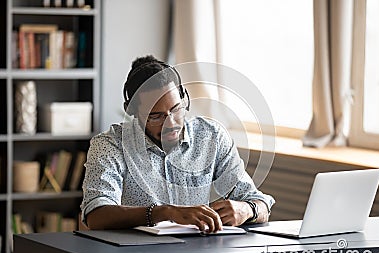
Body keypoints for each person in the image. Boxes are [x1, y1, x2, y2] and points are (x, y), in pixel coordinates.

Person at [80, 55, 275, 233]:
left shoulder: (211, 137)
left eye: (176, 109)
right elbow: (97, 215)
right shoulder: (110, 145)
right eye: (155, 116)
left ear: (185, 98)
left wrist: (247, 209)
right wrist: (165, 212)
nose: (171, 124)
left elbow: (260, 204)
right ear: (130, 111)